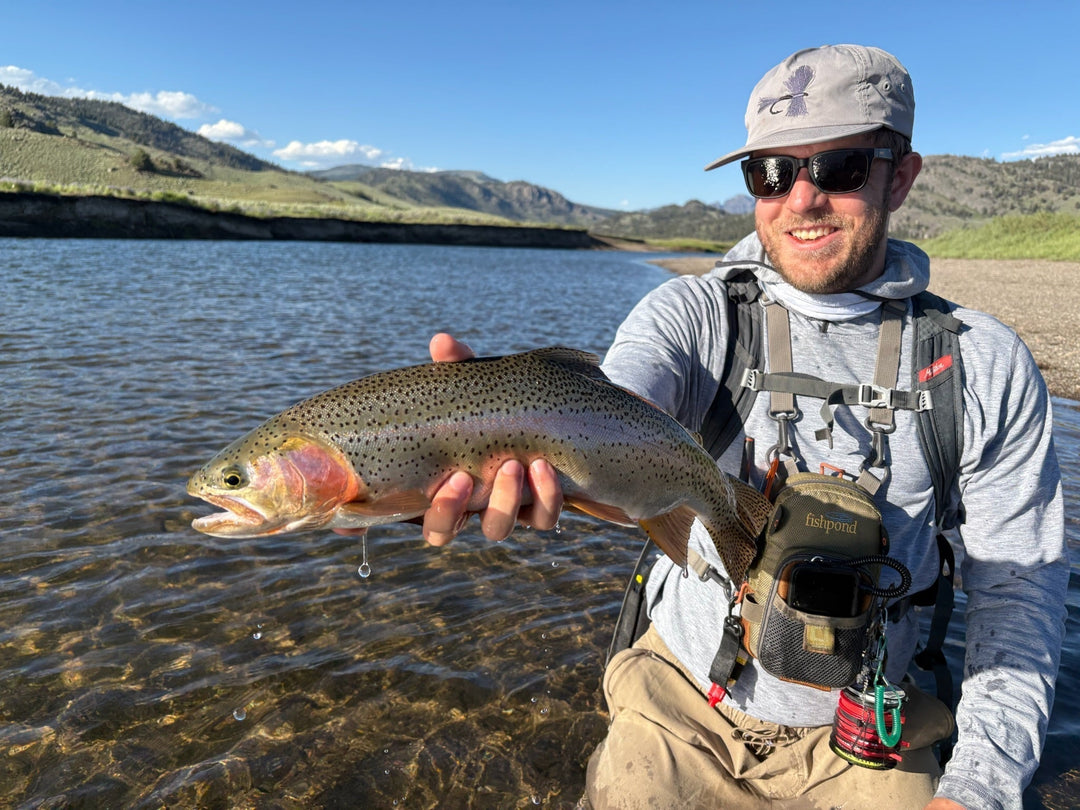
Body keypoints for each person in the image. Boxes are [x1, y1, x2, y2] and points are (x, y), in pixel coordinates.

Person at [413, 45, 1069, 809]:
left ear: (904, 174)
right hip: (685, 703)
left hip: (867, 735)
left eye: (840, 168)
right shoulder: (692, 315)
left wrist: (980, 788)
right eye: (771, 172)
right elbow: (624, 396)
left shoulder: (982, 364)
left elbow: (1019, 591)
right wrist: (514, 427)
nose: (801, 199)